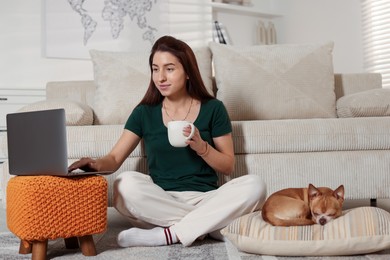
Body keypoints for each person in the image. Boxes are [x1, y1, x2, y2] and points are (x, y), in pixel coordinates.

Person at [68, 35, 266, 247]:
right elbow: (115, 158)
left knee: (255, 185)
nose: (160, 77)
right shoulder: (144, 112)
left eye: (169, 69)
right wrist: (95, 164)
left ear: (188, 72)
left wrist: (202, 147)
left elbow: (228, 166)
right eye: (155, 69)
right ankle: (209, 225)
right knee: (124, 185)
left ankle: (169, 234)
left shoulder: (213, 108)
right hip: (160, 200)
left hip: (207, 198)